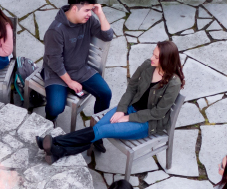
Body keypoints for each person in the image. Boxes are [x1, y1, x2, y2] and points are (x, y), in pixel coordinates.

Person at [38, 40, 184, 164]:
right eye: (153, 53)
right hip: (129, 108)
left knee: (101, 130)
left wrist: (127, 117)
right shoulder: (148, 65)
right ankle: (57, 151)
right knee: (99, 128)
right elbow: (132, 88)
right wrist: (121, 109)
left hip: (146, 123)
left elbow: (157, 113)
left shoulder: (173, 83)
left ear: (166, 60)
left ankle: (55, 141)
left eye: (156, 57)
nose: (152, 58)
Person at [42, 0, 115, 124]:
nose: (89, 14)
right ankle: (49, 122)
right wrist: (70, 82)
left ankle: (97, 128)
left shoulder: (88, 21)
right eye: (87, 10)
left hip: (81, 70)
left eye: (91, 10)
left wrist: (100, 14)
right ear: (74, 8)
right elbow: (55, 62)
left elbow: (108, 35)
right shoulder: (55, 30)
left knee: (105, 93)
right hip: (57, 73)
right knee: (55, 108)